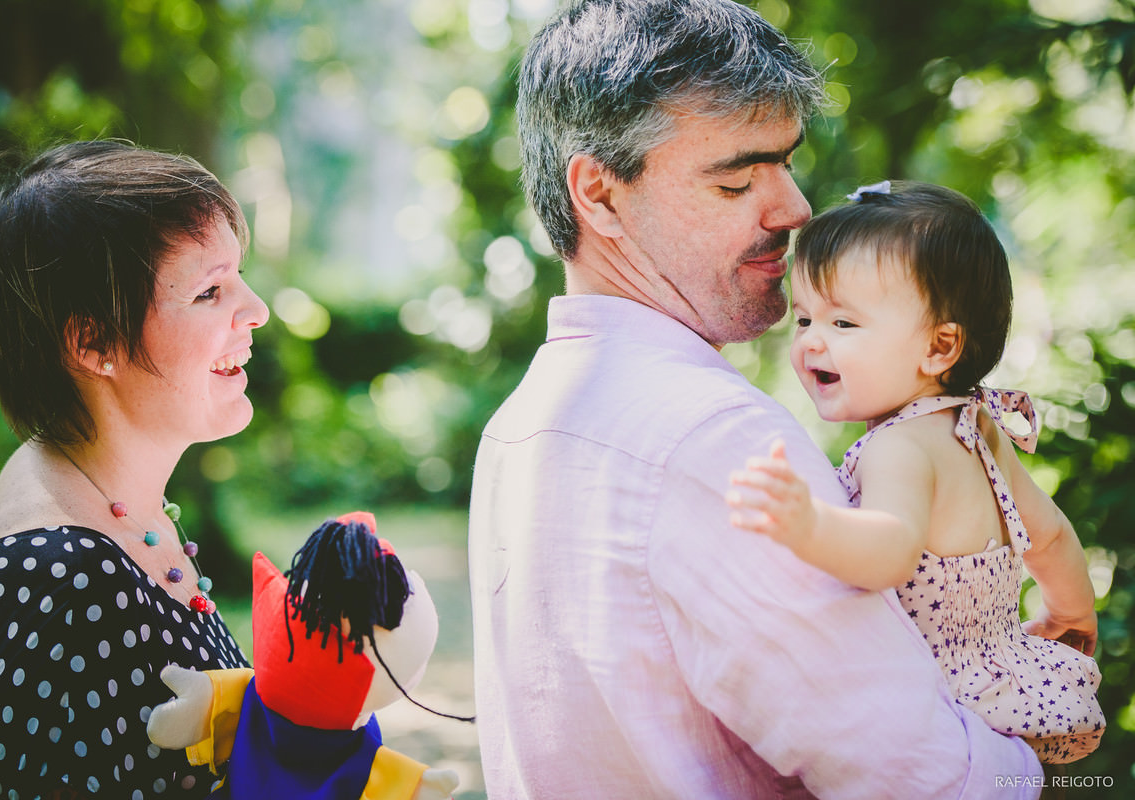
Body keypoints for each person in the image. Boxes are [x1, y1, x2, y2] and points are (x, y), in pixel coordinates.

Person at [467, 1, 1044, 798]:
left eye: (787, 163)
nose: (795, 209)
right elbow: (928, 780)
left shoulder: (518, 426)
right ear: (598, 196)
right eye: (737, 178)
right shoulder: (713, 437)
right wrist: (1036, 763)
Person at [0, 140, 270, 798]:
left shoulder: (131, 518)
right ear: (93, 342)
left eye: (238, 276)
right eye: (209, 291)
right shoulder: (46, 578)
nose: (255, 308)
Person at [727, 181, 1104, 764]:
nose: (811, 344)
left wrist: (810, 526)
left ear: (939, 346)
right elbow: (1049, 536)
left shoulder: (897, 448)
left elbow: (892, 550)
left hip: (939, 704)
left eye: (844, 325)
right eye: (805, 320)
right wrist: (1070, 614)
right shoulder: (980, 430)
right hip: (1007, 694)